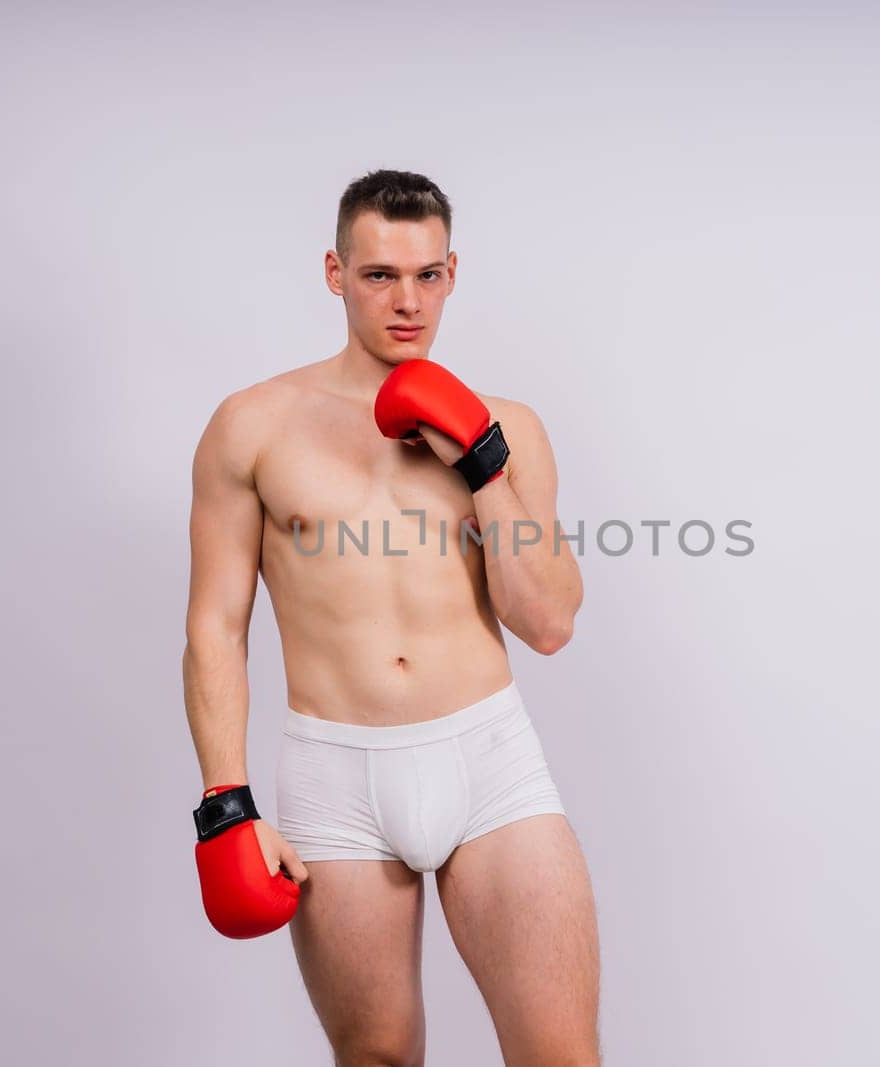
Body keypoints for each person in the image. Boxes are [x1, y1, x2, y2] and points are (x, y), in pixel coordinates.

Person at [181, 169, 601, 1066]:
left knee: (560, 1056)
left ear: (452, 271)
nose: (407, 302)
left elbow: (549, 621)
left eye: (427, 276)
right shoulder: (252, 427)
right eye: (379, 276)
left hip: (490, 766)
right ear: (335, 272)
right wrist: (227, 800)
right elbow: (216, 625)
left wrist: (484, 462)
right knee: (375, 1057)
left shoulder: (507, 425)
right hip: (337, 779)